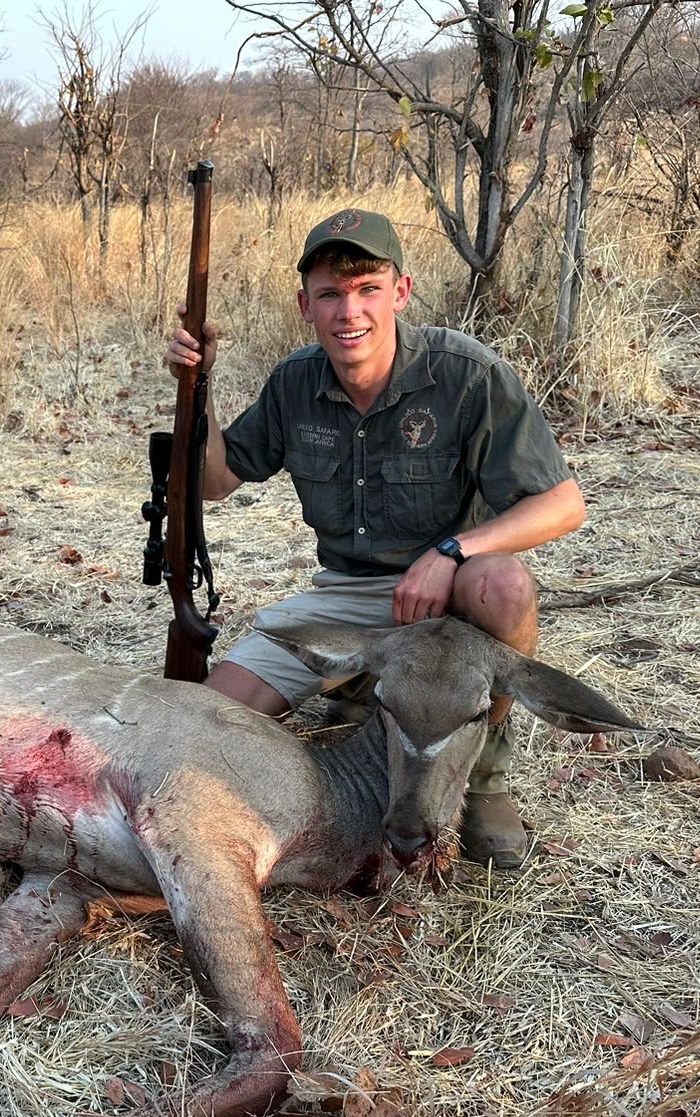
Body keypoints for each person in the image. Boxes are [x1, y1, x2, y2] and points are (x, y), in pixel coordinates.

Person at [165, 207, 585, 869]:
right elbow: (216, 480)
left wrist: (451, 551)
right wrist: (200, 386)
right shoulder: (295, 383)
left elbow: (563, 504)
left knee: (503, 584)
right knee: (205, 723)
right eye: (330, 294)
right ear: (306, 305)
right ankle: (366, 692)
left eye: (366, 289)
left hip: (450, 597)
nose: (349, 311)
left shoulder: (465, 373)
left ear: (401, 292)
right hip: (348, 601)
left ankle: (484, 783)